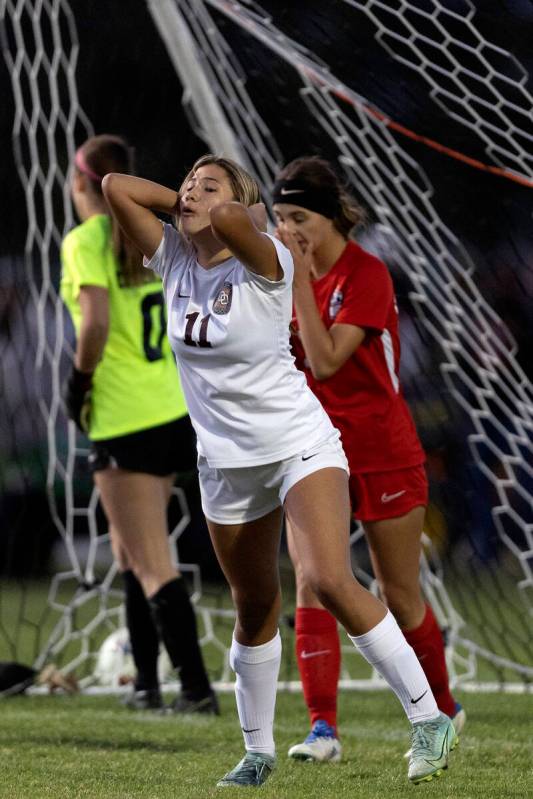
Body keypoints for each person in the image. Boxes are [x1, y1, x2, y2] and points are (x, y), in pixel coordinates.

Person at [102, 153, 457, 787]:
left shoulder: (268, 257)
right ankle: (257, 750)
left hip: (299, 442)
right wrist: (185, 204)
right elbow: (115, 186)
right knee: (254, 602)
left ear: (238, 202)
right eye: (185, 184)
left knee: (326, 576)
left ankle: (429, 718)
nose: (188, 194)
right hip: (225, 462)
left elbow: (237, 219)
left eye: (205, 185)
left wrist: (214, 206)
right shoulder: (175, 259)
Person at [272, 156, 465, 764]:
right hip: (311, 449)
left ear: (332, 217)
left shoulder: (367, 274)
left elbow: (327, 361)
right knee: (312, 582)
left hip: (380, 450)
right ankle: (322, 730)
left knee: (398, 594)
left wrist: (299, 279)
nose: (288, 229)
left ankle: (445, 710)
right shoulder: (284, 275)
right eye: (279, 217)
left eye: (299, 216)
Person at [60, 134, 217, 715]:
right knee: (131, 555)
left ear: (82, 183)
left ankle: (197, 690)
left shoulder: (87, 240)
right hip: (173, 409)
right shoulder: (153, 233)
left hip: (124, 417)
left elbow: (94, 321)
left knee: (151, 561)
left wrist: (77, 384)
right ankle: (148, 684)